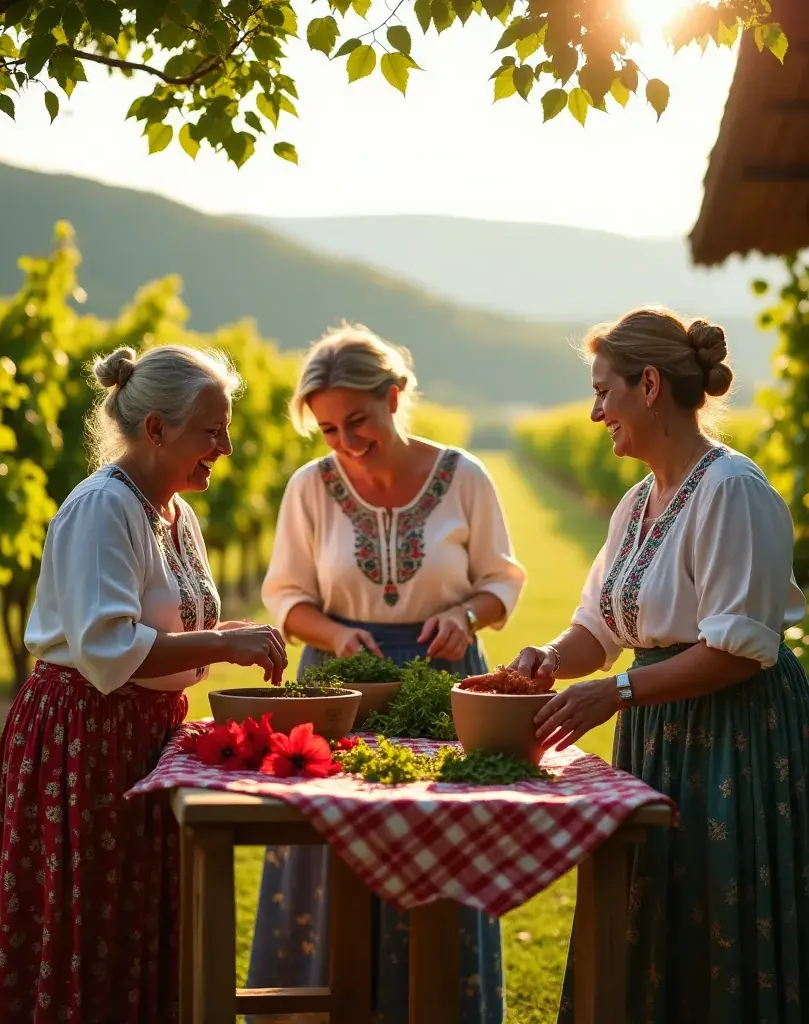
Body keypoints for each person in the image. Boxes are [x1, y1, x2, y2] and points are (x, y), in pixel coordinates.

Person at [500, 308, 809, 1023]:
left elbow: (738, 651)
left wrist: (619, 691)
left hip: (733, 735)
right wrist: (550, 661)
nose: (596, 412)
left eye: (605, 391)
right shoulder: (637, 503)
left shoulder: (732, 491)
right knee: (655, 905)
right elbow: (600, 626)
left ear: (649, 384)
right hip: (659, 728)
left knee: (721, 903)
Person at [0, 344, 288, 1024]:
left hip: (143, 731)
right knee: (89, 919)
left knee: (137, 913)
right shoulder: (101, 509)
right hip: (83, 733)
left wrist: (231, 630)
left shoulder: (174, 512)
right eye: (212, 430)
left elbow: (166, 619)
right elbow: (109, 647)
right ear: (156, 430)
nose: (226, 446)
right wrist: (228, 642)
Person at [246, 323, 526, 1024]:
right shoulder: (310, 489)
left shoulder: (464, 477)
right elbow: (284, 597)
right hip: (340, 687)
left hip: (446, 682)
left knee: (445, 839)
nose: (345, 442)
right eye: (330, 429)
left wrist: (467, 616)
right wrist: (338, 636)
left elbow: (501, 580)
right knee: (326, 847)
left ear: (396, 396)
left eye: (359, 421)